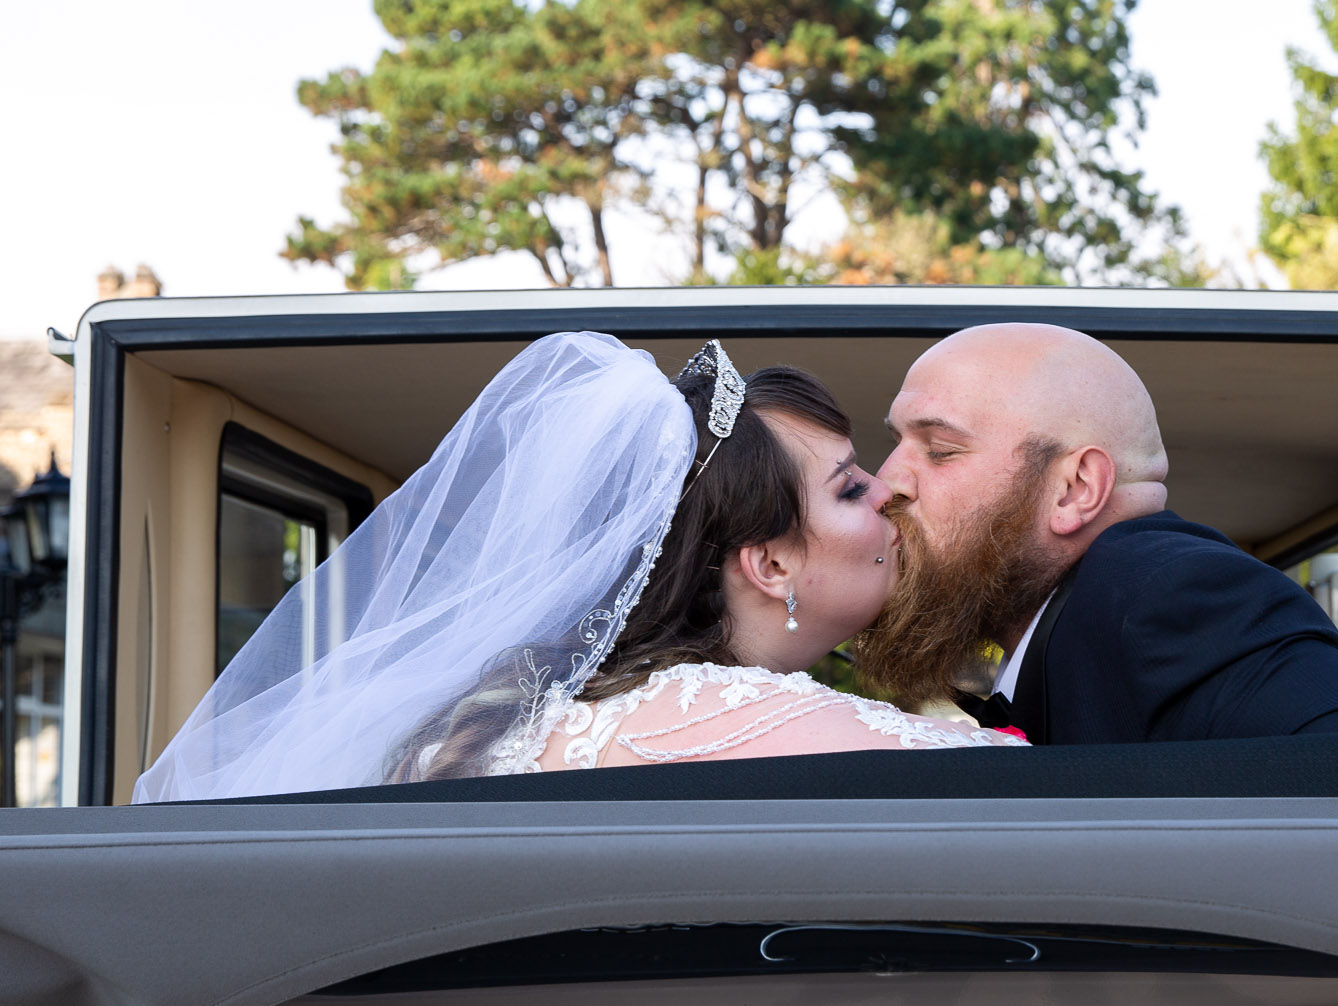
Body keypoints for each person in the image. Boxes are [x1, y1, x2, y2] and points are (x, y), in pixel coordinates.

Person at [133, 333, 1017, 803]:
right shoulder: (710, 709)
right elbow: (1017, 789)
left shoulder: (561, 705)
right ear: (771, 563)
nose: (891, 495)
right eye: (852, 487)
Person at [857, 322, 1338, 745]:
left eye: (940, 450)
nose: (885, 483)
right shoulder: (1075, 621)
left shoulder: (1176, 596)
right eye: (897, 443)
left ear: (1076, 489)